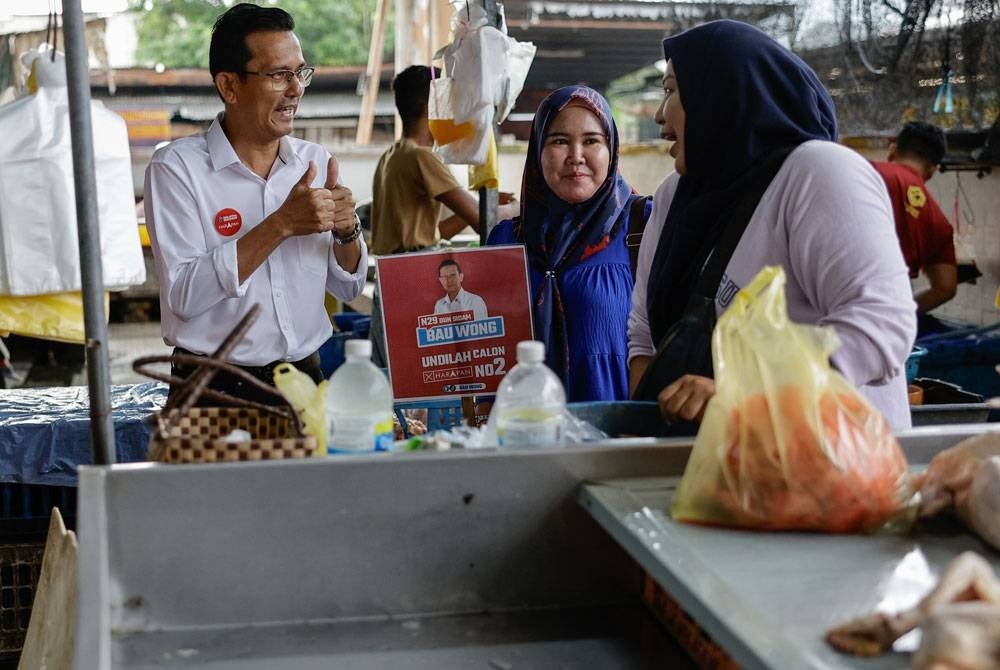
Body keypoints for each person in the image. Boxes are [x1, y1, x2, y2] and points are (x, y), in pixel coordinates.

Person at [628, 20, 917, 430]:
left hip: (836, 470)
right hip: (721, 471)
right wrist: (647, 436)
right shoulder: (675, 195)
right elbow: (643, 332)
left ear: (726, 95)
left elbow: (882, 326)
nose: (659, 114)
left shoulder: (818, 173)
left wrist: (745, 393)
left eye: (672, 90)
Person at [145, 3, 366, 405]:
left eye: (300, 72)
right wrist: (279, 225)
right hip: (212, 387)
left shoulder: (312, 161)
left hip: (304, 378)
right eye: (279, 75)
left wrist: (346, 229)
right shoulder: (177, 168)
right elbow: (184, 295)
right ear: (229, 86)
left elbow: (347, 283)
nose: (296, 89)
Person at [488, 85, 651, 402]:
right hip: (528, 432)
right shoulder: (507, 240)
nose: (576, 157)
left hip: (619, 437)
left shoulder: (644, 226)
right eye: (559, 141)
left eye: (591, 141)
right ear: (538, 152)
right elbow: (481, 345)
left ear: (611, 149)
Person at [368, 65, 517, 365]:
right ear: (431, 107)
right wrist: (509, 208)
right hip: (411, 280)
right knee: (416, 380)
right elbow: (482, 222)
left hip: (390, 279)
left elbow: (437, 232)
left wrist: (479, 200)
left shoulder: (393, 155)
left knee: (393, 375)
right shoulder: (423, 157)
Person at [871, 122, 957, 327]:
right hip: (888, 311)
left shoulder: (866, 173)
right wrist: (893, 315)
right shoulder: (939, 222)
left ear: (892, 149)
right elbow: (946, 287)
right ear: (933, 170)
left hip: (829, 296)